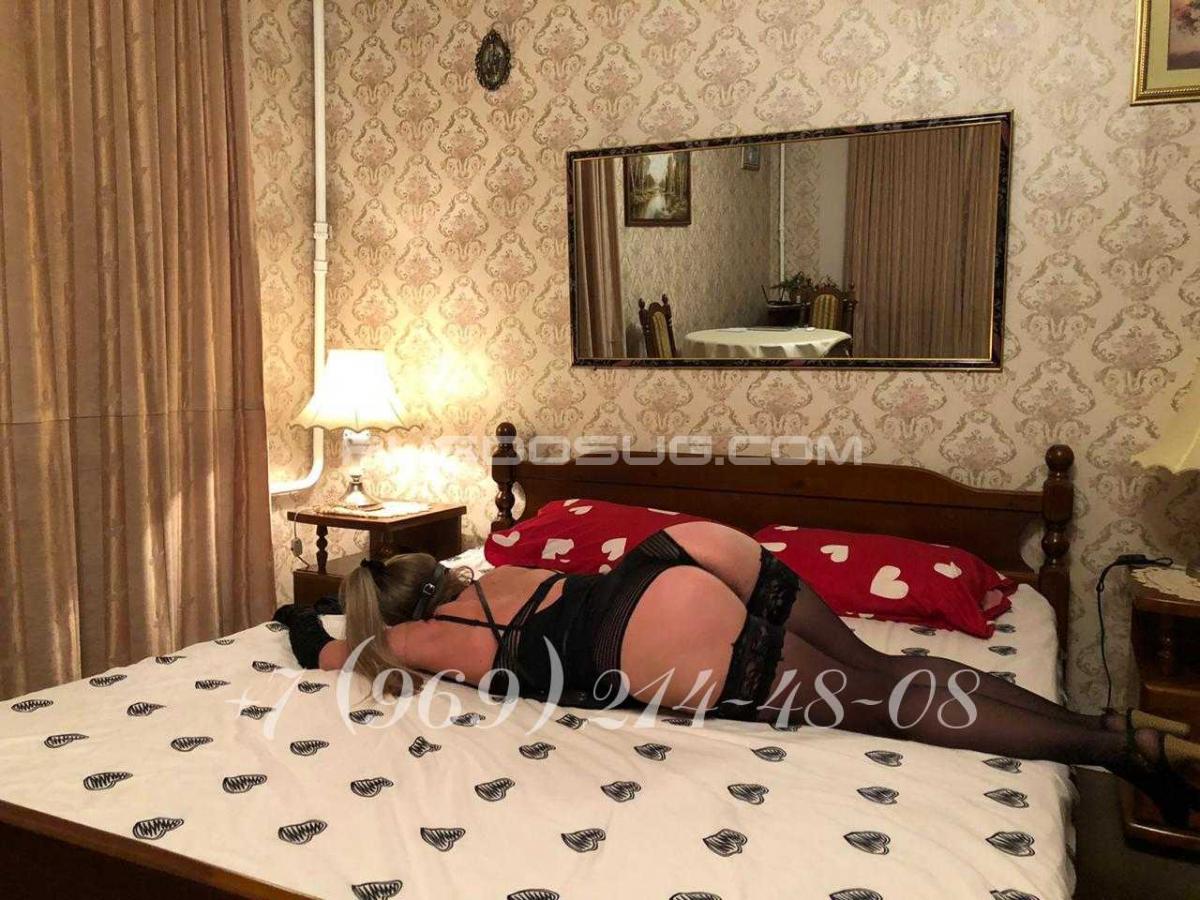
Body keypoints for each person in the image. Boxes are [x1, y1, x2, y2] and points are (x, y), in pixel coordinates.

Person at [274, 521, 1200, 826]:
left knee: (880, 707)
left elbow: (328, 654)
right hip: (679, 553)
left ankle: (1116, 751)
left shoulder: (420, 641)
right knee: (886, 669)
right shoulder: (499, 567)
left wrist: (299, 620)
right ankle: (1113, 729)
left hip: (648, 635)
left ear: (393, 612)